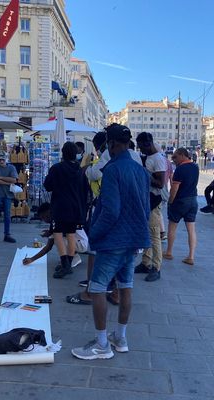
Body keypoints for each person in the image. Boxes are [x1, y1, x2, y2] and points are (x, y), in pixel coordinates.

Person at [71, 123, 150, 360]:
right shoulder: (139, 170)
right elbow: (146, 208)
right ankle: (121, 337)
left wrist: (94, 234)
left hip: (112, 239)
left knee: (97, 288)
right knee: (125, 287)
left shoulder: (113, 170)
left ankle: (102, 344)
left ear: (112, 144)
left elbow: (111, 210)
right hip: (133, 238)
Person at [43, 142, 90, 278]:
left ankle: (65, 263)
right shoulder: (80, 170)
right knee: (71, 235)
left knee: (57, 233)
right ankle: (69, 262)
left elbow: (48, 186)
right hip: (76, 208)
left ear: (63, 153)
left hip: (60, 207)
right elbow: (85, 190)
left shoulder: (57, 168)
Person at [135, 132, 167, 282]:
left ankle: (156, 267)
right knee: (147, 233)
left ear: (147, 144)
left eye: (141, 147)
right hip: (146, 199)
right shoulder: (148, 157)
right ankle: (146, 262)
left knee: (154, 236)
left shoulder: (158, 159)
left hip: (154, 201)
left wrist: (145, 174)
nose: (140, 150)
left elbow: (160, 183)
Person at [163, 148, 199, 265]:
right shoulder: (195, 167)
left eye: (175, 157)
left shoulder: (180, 169)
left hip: (180, 201)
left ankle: (169, 252)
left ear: (182, 155)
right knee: (191, 230)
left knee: (172, 226)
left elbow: (174, 188)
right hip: (193, 200)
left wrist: (170, 201)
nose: (173, 160)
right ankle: (191, 256)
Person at [22, 203, 83, 268]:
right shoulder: (55, 223)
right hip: (78, 241)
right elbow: (48, 247)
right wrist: (32, 259)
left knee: (58, 238)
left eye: (47, 216)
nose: (45, 219)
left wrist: (51, 233)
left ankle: (74, 258)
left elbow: (48, 247)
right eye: (43, 218)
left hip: (82, 243)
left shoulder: (59, 221)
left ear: (52, 212)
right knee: (57, 237)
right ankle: (70, 256)